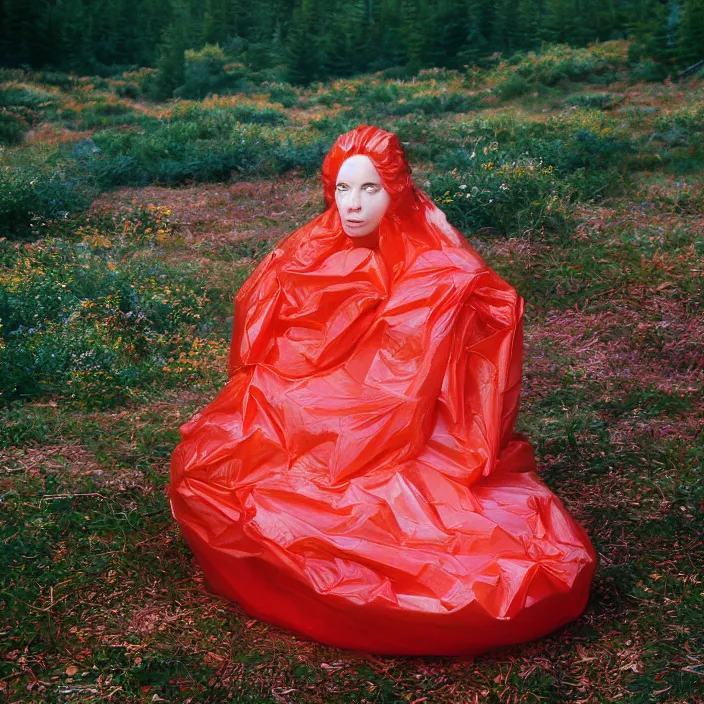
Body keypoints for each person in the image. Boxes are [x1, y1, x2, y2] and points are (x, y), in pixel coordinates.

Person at [169, 125, 597, 656]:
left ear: (397, 189)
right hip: (318, 404)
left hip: (402, 430)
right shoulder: (310, 249)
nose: (352, 205)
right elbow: (268, 341)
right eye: (342, 189)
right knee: (223, 462)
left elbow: (467, 335)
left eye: (369, 189)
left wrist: (448, 281)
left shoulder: (435, 262)